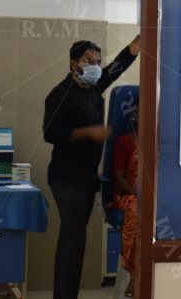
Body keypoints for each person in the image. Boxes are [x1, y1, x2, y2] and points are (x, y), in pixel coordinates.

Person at [43, 36, 140, 299]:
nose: (96, 66)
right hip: (66, 178)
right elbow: (51, 132)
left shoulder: (95, 88)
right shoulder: (60, 94)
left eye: (98, 61)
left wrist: (141, 38)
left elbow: (119, 64)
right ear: (73, 63)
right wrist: (89, 132)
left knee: (75, 243)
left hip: (87, 179)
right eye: (89, 61)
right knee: (72, 242)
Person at [111, 109, 140, 297]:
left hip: (153, 195)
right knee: (139, 211)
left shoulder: (159, 140)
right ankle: (135, 274)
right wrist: (135, 191)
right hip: (129, 195)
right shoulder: (124, 142)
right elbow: (117, 177)